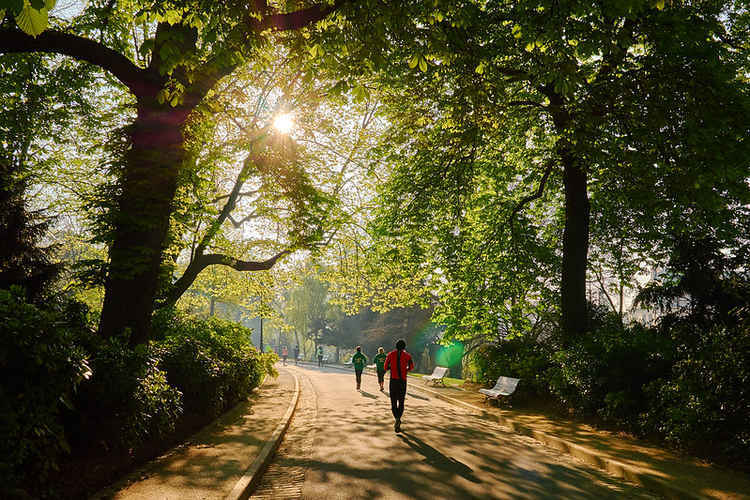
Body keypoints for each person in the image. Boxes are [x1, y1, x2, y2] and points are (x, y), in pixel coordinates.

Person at [384, 338, 414, 433]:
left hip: (393, 380)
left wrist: (391, 368)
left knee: (393, 401)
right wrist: (405, 370)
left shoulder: (390, 354)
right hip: (402, 381)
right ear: (404, 346)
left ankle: (396, 418)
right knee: (401, 401)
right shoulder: (408, 356)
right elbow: (411, 367)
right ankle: (398, 418)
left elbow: (385, 367)